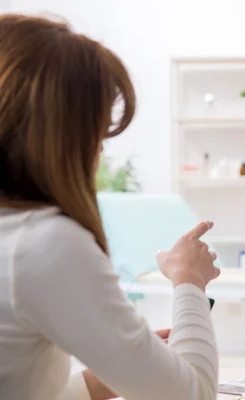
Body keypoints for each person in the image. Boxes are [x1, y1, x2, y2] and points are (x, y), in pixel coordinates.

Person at [0, 14, 220, 400]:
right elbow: (192, 395)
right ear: (63, 137)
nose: (100, 152)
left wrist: (96, 381)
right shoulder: (44, 242)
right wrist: (190, 280)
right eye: (97, 135)